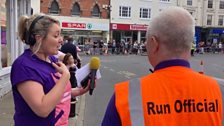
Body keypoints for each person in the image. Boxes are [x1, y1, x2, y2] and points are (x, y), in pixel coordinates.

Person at [102, 7, 224, 126]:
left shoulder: (126, 95)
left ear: (154, 44)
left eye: (146, 41)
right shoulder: (218, 90)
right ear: (189, 44)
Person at [11, 14, 90, 126]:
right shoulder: (24, 66)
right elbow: (42, 108)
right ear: (39, 38)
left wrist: (79, 91)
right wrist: (65, 77)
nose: (61, 40)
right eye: (56, 36)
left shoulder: (51, 60)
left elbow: (55, 92)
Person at [62, 53, 78, 117]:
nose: (72, 60)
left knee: (73, 98)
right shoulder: (65, 67)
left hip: (74, 84)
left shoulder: (74, 66)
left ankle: (72, 112)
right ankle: (70, 112)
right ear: (67, 60)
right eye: (71, 58)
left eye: (72, 58)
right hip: (68, 85)